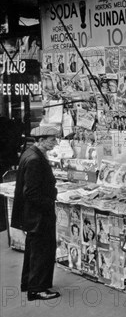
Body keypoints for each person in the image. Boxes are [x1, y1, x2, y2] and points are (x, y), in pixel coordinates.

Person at [11, 126, 61, 301]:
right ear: (41, 140)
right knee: (42, 251)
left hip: (33, 214)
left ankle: (29, 284)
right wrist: (50, 201)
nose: (55, 143)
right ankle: (38, 289)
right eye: (52, 139)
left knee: (34, 251)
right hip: (39, 215)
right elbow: (31, 192)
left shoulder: (30, 153)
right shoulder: (35, 160)